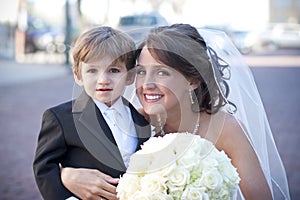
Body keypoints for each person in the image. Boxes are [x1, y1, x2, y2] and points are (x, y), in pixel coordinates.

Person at [61, 24, 290, 200]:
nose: (146, 84)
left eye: (162, 73)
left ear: (192, 80)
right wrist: (66, 176)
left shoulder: (225, 129)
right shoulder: (134, 123)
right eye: (141, 72)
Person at [33, 26, 151, 200]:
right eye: (92, 70)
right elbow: (44, 167)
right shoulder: (60, 118)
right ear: (78, 75)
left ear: (129, 76)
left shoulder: (141, 119)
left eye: (114, 70)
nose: (103, 80)